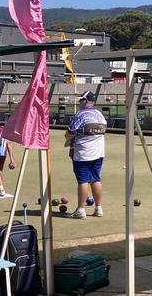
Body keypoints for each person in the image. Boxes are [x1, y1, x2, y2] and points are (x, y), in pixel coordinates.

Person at [65, 91, 106, 219]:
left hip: (83, 153)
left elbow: (70, 132)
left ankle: (81, 210)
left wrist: (68, 138)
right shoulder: (100, 114)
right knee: (95, 178)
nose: (79, 102)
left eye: (81, 100)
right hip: (98, 152)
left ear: (87, 101)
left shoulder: (81, 114)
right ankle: (99, 208)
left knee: (82, 181)